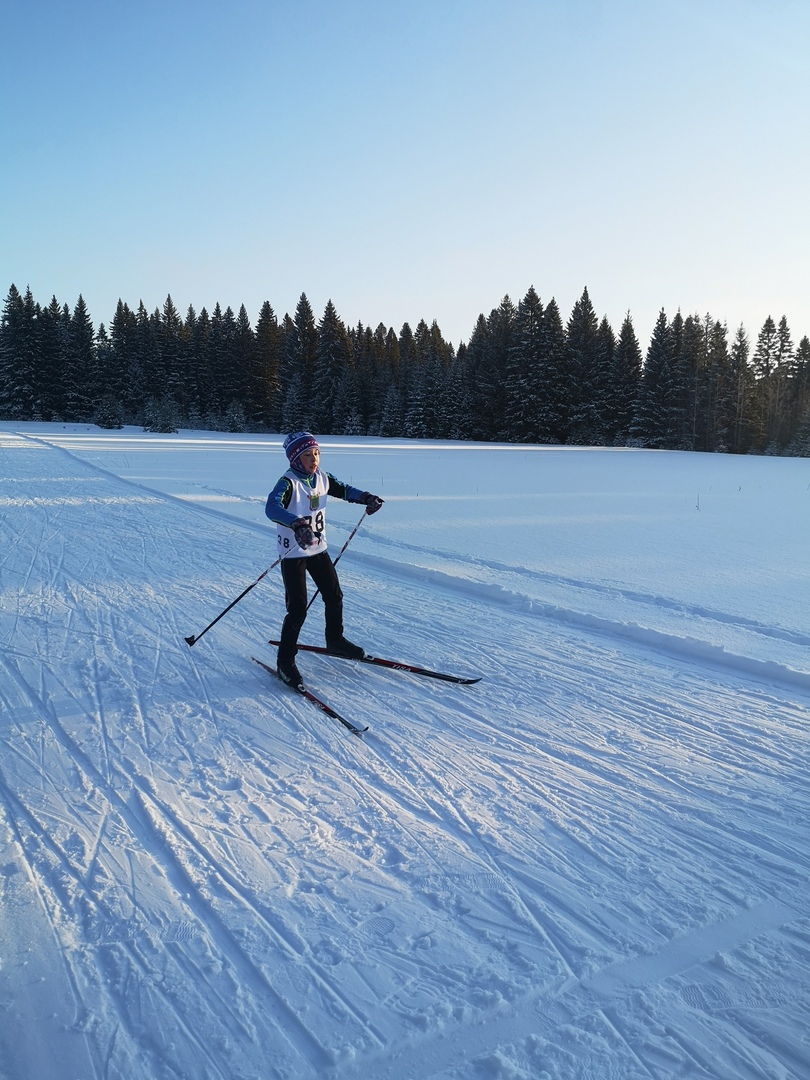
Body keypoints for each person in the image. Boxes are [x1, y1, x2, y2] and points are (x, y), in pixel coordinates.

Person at [265, 432, 384, 689]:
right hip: (293, 554)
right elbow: (271, 507)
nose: (313, 459)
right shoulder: (288, 483)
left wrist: (365, 497)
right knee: (297, 608)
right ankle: (285, 661)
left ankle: (335, 640)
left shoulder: (321, 477)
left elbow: (343, 489)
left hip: (318, 548)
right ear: (295, 458)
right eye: (307, 455)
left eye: (316, 453)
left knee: (334, 595)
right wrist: (296, 523)